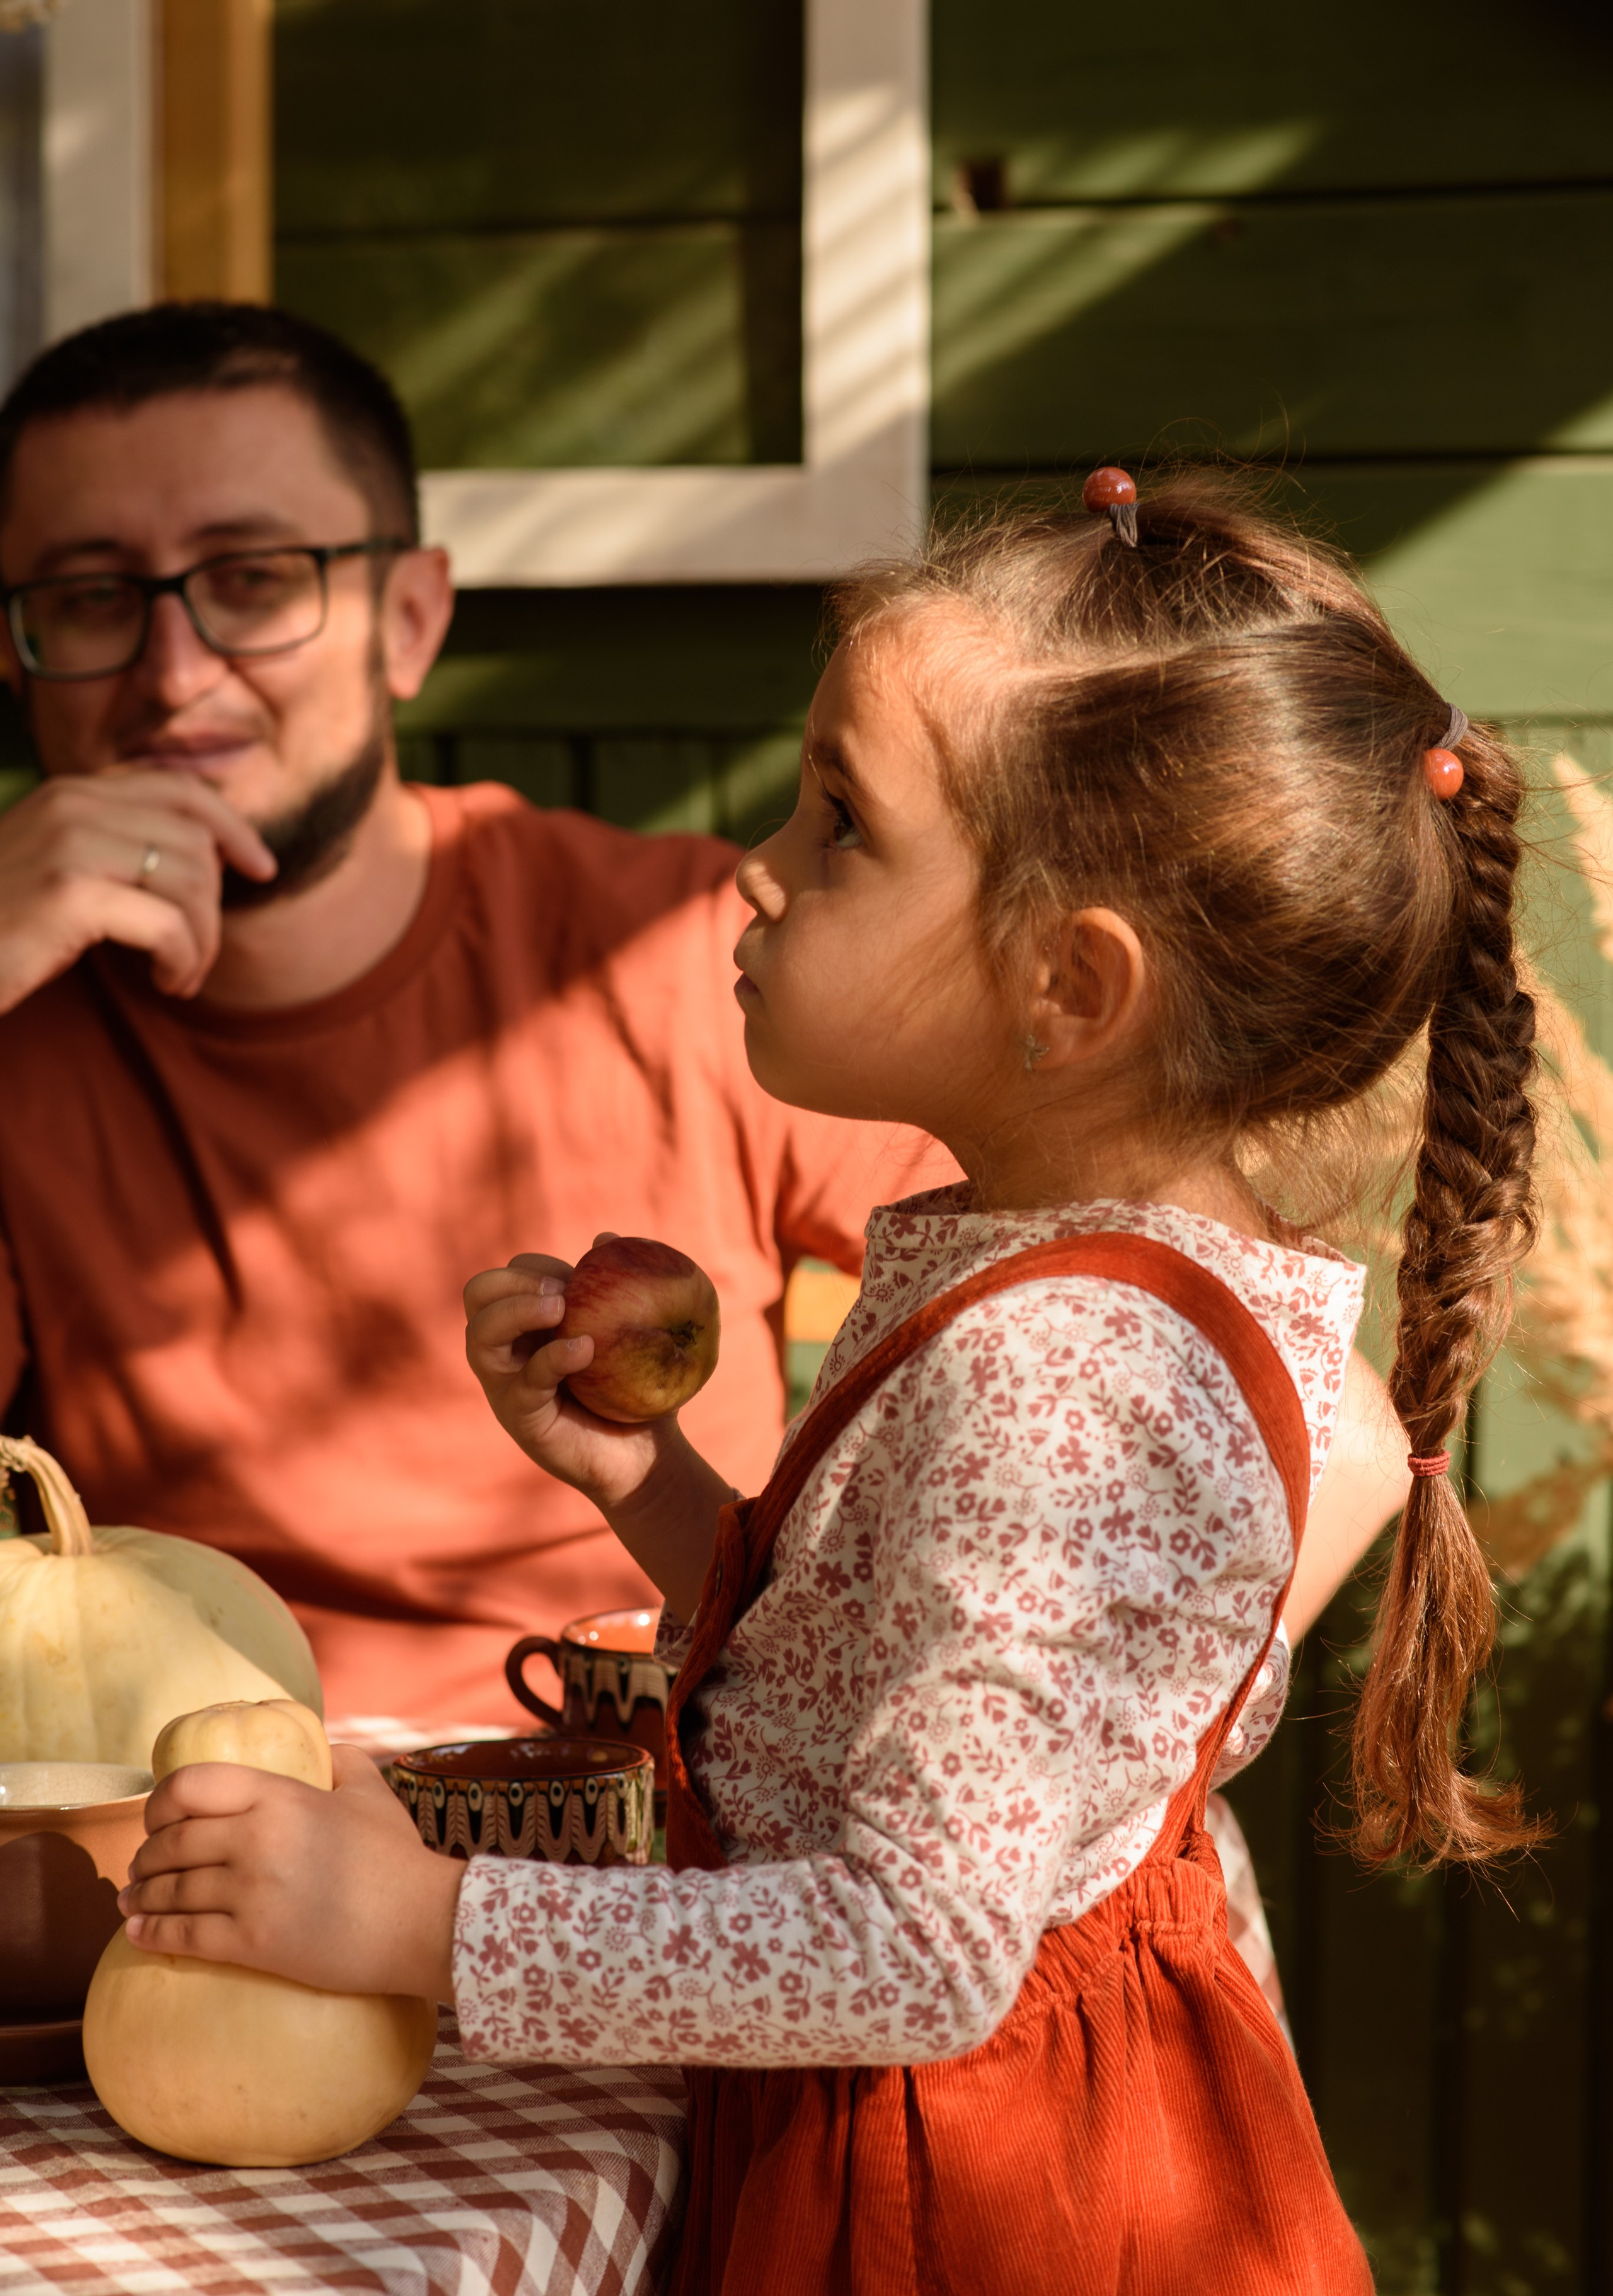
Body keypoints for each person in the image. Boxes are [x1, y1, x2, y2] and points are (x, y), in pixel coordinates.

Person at [119, 476, 1537, 2291]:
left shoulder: (1067, 1376)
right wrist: (650, 1482)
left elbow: (916, 1948)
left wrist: (417, 1917)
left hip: (969, 2197)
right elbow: (866, 1666)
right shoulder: (1068, 1265)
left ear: (1068, 988)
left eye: (843, 821)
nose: (757, 865)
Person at [0, 301, 944, 1730]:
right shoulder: (19, 1026)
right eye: (88, 596)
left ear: (409, 619)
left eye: (253, 580)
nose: (175, 672)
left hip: (657, 1810)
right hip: (205, 1819)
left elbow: (1153, 1352)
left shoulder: (701, 957)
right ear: (12, 654)